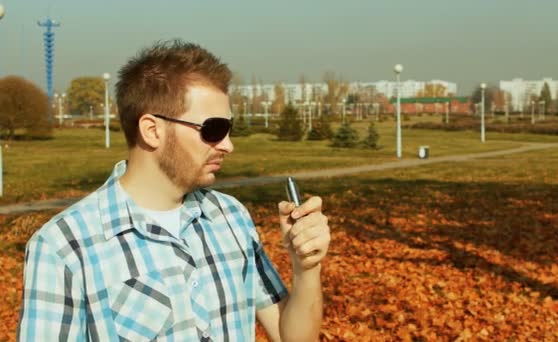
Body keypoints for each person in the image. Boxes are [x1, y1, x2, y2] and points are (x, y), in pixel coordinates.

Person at [17, 40, 331, 341]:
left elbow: (293, 336)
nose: (228, 145)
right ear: (152, 130)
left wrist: (306, 267)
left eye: (229, 129)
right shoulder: (64, 247)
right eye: (213, 130)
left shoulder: (231, 217)